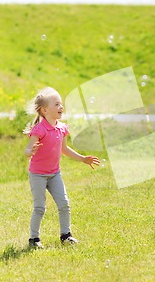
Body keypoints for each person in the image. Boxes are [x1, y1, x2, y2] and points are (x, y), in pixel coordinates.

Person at [24, 87, 100, 248]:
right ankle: (34, 239)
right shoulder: (39, 129)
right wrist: (31, 151)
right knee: (39, 207)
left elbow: (64, 149)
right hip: (37, 174)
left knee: (64, 203)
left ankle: (66, 235)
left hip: (54, 174)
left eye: (61, 104)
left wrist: (82, 158)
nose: (61, 107)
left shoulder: (62, 128)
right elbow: (26, 151)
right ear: (45, 110)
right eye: (56, 104)